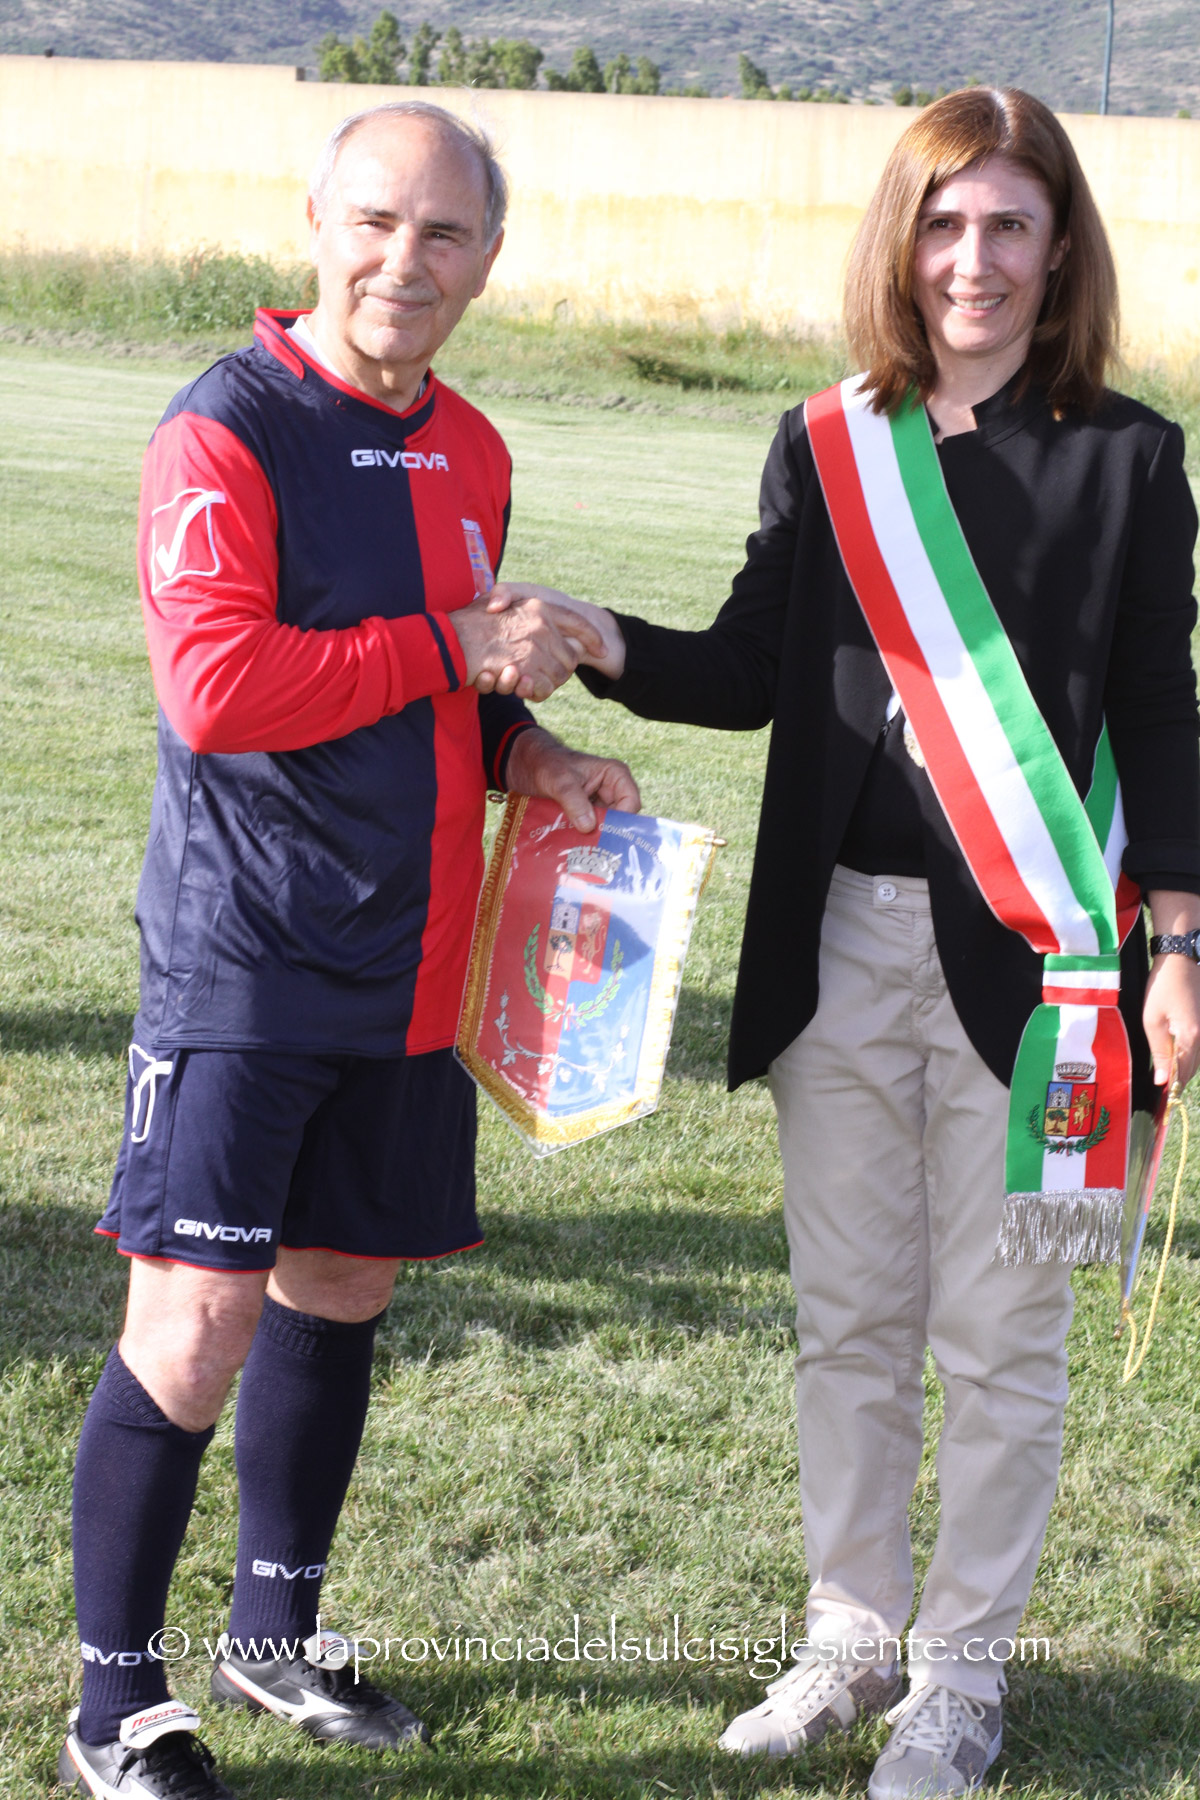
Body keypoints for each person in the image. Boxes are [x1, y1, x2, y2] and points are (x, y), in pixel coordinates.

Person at [492, 87, 1200, 1797]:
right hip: (838, 954)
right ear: (903, 239)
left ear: (1060, 247)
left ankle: (960, 1684)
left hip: (1050, 983)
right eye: (945, 223)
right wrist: (604, 639)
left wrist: (1182, 939)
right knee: (852, 1327)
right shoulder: (826, 443)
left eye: (1011, 223)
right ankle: (851, 1638)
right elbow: (754, 667)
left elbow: (1165, 708)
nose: (975, 259)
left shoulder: (1130, 456)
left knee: (1004, 1342)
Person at [58, 101, 637, 1800]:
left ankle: (276, 1635)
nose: (405, 260)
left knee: (343, 1287)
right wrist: (455, 640)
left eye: (444, 233)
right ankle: (114, 1712)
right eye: (376, 222)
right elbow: (218, 688)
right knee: (196, 1327)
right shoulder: (225, 430)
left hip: (414, 969)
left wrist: (540, 754)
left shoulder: (473, 449)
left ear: (489, 259)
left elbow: (451, 691)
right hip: (245, 964)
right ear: (315, 222)